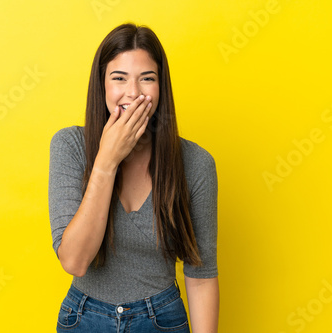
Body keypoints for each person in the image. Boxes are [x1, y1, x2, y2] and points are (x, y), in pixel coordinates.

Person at [49, 23, 219, 332]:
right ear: (102, 86)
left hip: (162, 319)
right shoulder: (70, 146)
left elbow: (201, 278)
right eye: (119, 78)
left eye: (147, 79)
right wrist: (107, 160)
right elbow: (74, 261)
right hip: (84, 318)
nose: (134, 93)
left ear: (161, 87)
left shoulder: (195, 163)